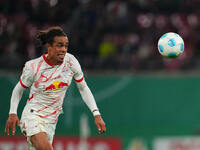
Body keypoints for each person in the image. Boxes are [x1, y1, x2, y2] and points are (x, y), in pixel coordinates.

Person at [5, 26, 106, 150]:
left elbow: (83, 88)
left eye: (65, 46)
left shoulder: (71, 62)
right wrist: (12, 113)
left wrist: (96, 114)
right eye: (59, 45)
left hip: (51, 122)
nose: (63, 49)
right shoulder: (34, 67)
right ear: (49, 46)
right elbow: (18, 89)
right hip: (32, 116)